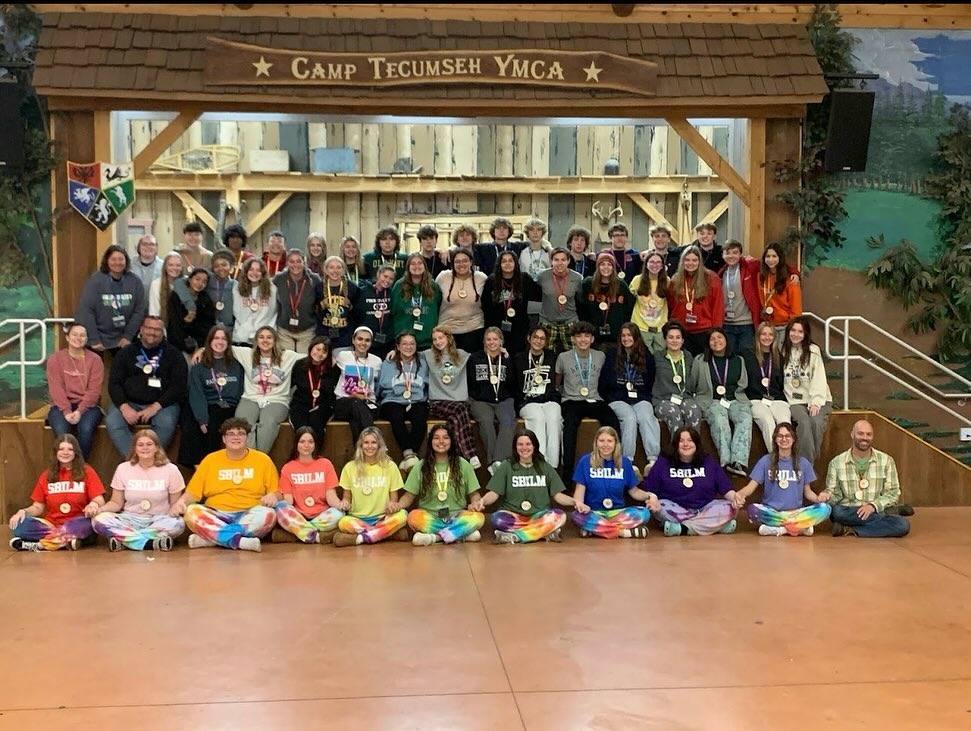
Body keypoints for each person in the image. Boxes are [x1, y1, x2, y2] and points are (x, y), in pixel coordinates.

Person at [171, 418, 278, 551]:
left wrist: (273, 495)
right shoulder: (210, 460)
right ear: (224, 439)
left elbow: (276, 492)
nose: (236, 437)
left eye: (241, 433)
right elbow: (193, 493)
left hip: (249, 512)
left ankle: (214, 538)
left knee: (269, 515)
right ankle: (238, 541)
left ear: (247, 438)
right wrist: (181, 502)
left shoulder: (263, 460)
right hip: (217, 514)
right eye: (230, 434)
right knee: (191, 512)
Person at [473, 428, 575, 543]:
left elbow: (558, 495)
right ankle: (541, 533)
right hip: (513, 515)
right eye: (520, 444)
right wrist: (482, 501)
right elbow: (494, 493)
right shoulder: (506, 466)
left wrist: (575, 502)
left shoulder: (544, 466)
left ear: (534, 446)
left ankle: (516, 537)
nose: (524, 448)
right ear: (515, 447)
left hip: (538, 516)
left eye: (528, 444)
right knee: (497, 519)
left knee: (560, 516)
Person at [92, 429, 186, 551]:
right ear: (135, 448)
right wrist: (100, 510)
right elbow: (116, 503)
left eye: (149, 444)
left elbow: (174, 504)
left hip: (159, 519)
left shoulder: (171, 470)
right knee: (98, 520)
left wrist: (177, 508)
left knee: (178, 523)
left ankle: (126, 540)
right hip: (130, 519)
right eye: (140, 445)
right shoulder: (123, 468)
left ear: (157, 447)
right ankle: (150, 543)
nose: (145, 448)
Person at [105, 316, 186, 457]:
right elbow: (114, 384)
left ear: (162, 332)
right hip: (129, 402)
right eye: (149, 328)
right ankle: (133, 459)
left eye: (157, 329)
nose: (152, 332)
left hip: (163, 405)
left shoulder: (174, 355)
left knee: (166, 423)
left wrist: (155, 407)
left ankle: (152, 459)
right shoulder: (125, 353)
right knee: (113, 421)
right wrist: (124, 407)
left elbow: (178, 387)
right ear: (141, 330)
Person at [8, 434, 105, 551]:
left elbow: (100, 499)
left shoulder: (87, 472)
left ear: (76, 453)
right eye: (61, 449)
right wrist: (24, 512)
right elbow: (38, 507)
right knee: (19, 526)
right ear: (55, 452)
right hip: (51, 525)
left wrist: (93, 504)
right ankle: (65, 541)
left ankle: (40, 545)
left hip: (77, 522)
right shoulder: (46, 475)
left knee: (88, 525)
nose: (65, 452)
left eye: (70, 449)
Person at [733, 422, 831, 536]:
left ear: (793, 439)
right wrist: (738, 495)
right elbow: (750, 487)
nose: (784, 439)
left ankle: (779, 529)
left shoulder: (803, 463)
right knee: (752, 510)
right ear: (775, 439)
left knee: (825, 509)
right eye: (780, 436)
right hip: (773, 512)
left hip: (796, 513)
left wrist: (819, 499)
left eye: (787, 436)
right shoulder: (765, 461)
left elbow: (808, 492)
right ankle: (797, 528)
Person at [643, 427, 739, 536]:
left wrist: (736, 499)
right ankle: (712, 526)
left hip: (705, 508)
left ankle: (684, 529)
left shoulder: (709, 462)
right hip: (675, 509)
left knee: (730, 507)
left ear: (696, 443)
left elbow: (726, 489)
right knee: (660, 505)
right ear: (675, 444)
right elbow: (650, 491)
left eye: (690, 440)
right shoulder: (663, 462)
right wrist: (653, 500)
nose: (686, 444)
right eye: (681, 441)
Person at [399, 425, 485, 546]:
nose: (441, 441)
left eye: (445, 438)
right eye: (436, 438)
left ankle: (436, 538)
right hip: (431, 516)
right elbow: (408, 496)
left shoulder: (463, 464)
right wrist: (397, 506)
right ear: (430, 441)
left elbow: (474, 494)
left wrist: (476, 504)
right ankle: (459, 534)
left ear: (451, 441)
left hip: (457, 516)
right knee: (413, 517)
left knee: (478, 517)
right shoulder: (420, 466)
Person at [556, 321, 621, 479]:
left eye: (587, 336)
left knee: (613, 421)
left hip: (594, 399)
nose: (583, 339)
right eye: (579, 336)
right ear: (573, 339)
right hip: (571, 400)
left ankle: (615, 466)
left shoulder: (600, 356)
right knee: (569, 428)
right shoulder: (563, 357)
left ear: (592, 339)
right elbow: (557, 382)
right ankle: (567, 476)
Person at [825, 419, 911, 538]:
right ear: (852, 435)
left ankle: (849, 529)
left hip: (875, 509)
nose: (865, 438)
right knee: (836, 512)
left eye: (868, 434)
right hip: (849, 511)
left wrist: (872, 506)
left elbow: (893, 493)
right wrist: (826, 496)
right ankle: (884, 516)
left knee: (903, 525)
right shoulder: (836, 462)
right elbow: (835, 495)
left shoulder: (886, 460)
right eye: (860, 433)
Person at [572, 426, 656, 539]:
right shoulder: (585, 461)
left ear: (616, 443)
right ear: (596, 442)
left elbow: (635, 492)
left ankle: (596, 529)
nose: (605, 445)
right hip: (594, 512)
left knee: (644, 513)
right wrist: (579, 504)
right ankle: (622, 533)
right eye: (602, 441)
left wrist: (651, 495)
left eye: (609, 441)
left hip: (618, 512)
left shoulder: (625, 462)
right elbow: (579, 490)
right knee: (576, 516)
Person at [690, 327, 752, 477]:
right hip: (711, 400)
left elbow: (742, 383)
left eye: (720, 337)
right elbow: (693, 384)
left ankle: (738, 462)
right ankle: (726, 462)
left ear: (726, 339)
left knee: (745, 418)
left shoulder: (738, 360)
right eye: (712, 339)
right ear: (708, 343)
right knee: (719, 419)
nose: (716, 341)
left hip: (735, 400)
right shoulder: (700, 361)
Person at [233, 326, 304, 454]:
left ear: (275, 340)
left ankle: (260, 458)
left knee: (268, 423)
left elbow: (312, 355)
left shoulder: (287, 356)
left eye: (269, 337)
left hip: (277, 400)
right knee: (242, 422)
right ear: (256, 341)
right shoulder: (247, 354)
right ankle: (249, 456)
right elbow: (222, 346)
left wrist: (331, 358)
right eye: (261, 337)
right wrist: (201, 350)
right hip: (250, 399)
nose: (265, 340)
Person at [333, 427, 409, 547]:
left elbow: (393, 499)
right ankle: (382, 534)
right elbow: (346, 498)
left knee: (403, 515)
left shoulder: (390, 466)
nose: (369, 446)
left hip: (382, 518)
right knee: (343, 522)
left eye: (373, 442)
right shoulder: (349, 467)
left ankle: (361, 538)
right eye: (366, 442)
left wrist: (392, 505)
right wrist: (344, 503)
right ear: (360, 445)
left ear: (379, 445)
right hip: (358, 518)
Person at [600, 322, 660, 474]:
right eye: (623, 335)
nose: (626, 338)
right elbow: (605, 381)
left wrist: (643, 396)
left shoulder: (646, 355)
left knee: (646, 417)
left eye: (630, 335)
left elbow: (650, 380)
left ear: (636, 337)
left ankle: (653, 461)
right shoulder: (612, 355)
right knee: (629, 418)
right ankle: (627, 462)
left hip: (640, 397)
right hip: (617, 398)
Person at [181, 324, 244, 468]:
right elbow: (196, 393)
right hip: (207, 402)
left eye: (223, 339)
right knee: (190, 420)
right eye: (216, 338)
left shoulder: (237, 364)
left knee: (215, 420)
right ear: (209, 341)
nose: (220, 342)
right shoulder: (199, 366)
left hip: (229, 405)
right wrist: (202, 418)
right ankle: (198, 466)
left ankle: (212, 464)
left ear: (228, 343)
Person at [422, 327, 481, 469]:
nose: (438, 342)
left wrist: (501, 350)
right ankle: (470, 454)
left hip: (459, 402)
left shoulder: (461, 354)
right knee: (459, 411)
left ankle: (457, 458)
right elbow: (408, 351)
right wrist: (394, 351)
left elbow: (483, 355)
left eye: (441, 338)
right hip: (438, 402)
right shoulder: (428, 354)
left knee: (455, 419)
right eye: (434, 339)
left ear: (449, 338)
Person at [273, 426, 342, 544]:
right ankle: (317, 536)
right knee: (280, 507)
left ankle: (298, 534)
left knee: (339, 513)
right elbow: (288, 500)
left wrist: (341, 505)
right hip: (299, 515)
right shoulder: (288, 468)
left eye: (310, 442)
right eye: (302, 441)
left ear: (315, 444)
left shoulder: (325, 464)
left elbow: (331, 497)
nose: (306, 445)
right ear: (296, 444)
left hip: (322, 514)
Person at [46, 322, 104, 459]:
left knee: (86, 429)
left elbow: (94, 390)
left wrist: (79, 411)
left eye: (82, 335)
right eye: (74, 335)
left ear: (87, 339)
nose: (78, 338)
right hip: (60, 406)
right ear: (67, 337)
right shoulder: (55, 359)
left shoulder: (95, 360)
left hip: (88, 406)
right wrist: (67, 411)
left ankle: (81, 466)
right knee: (62, 432)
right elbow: (56, 388)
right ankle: (64, 466)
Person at [75, 244, 147, 353]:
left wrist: (128, 336)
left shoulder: (135, 281)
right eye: (113, 259)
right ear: (107, 260)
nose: (117, 262)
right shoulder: (95, 281)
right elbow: (86, 310)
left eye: (121, 259)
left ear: (126, 261)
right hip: (98, 339)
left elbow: (139, 310)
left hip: (125, 339)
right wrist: (94, 339)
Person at [781, 317, 832, 464]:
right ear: (788, 332)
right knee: (804, 423)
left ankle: (806, 464)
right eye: (793, 330)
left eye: (800, 331)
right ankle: (806, 465)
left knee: (816, 422)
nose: (796, 334)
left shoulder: (813, 350)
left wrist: (816, 401)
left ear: (805, 334)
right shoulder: (782, 350)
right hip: (794, 400)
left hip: (818, 398)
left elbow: (819, 377)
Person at [467, 327, 517, 475]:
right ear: (484, 341)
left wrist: (507, 360)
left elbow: (513, 382)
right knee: (486, 421)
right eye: (488, 339)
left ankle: (498, 461)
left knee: (508, 421)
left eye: (495, 339)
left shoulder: (507, 359)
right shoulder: (475, 358)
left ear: (501, 341)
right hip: (480, 400)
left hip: (504, 400)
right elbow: (470, 381)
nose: (492, 342)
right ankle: (492, 461)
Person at [378, 332, 430, 472]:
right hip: (393, 400)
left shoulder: (423, 361)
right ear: (398, 346)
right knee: (396, 415)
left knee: (420, 416)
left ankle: (410, 457)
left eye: (412, 343)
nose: (408, 347)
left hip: (416, 400)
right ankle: (409, 454)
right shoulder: (389, 362)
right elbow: (381, 385)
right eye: (404, 344)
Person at [512, 325, 561, 469]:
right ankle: (539, 462)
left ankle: (552, 466)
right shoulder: (519, 358)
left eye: (542, 339)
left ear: (546, 342)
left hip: (549, 400)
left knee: (554, 418)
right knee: (538, 417)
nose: (538, 341)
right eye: (535, 337)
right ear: (529, 338)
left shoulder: (552, 357)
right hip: (528, 402)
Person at [668, 245, 724, 356]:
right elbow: (670, 305)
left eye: (694, 260)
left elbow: (718, 306)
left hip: (704, 331)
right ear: (682, 261)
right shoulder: (675, 279)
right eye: (687, 260)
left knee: (703, 362)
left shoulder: (711, 278)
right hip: (681, 331)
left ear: (699, 261)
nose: (690, 263)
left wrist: (716, 331)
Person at [744, 321, 791, 452]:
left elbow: (782, 383)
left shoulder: (779, 357)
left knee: (784, 422)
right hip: (755, 400)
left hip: (777, 399)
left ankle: (788, 455)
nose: (767, 337)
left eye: (770, 334)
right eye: (763, 334)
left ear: (774, 337)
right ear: (758, 336)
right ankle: (776, 456)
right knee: (767, 420)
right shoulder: (747, 355)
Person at [332, 326, 383, 443]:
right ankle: (374, 441)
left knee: (356, 417)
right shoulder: (343, 356)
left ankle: (360, 449)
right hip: (344, 403)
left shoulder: (377, 361)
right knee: (355, 403)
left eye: (367, 340)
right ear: (353, 340)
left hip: (367, 403)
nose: (363, 343)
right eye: (360, 339)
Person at [652, 321, 702, 434]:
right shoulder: (657, 357)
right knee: (673, 413)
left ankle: (693, 444)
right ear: (665, 339)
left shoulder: (688, 357)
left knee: (694, 411)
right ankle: (677, 445)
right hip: (662, 400)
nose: (674, 341)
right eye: (671, 337)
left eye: (678, 337)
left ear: (683, 340)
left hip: (684, 398)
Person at [289, 335, 339, 448]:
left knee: (316, 421)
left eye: (324, 351)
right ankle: (300, 453)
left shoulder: (333, 369)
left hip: (323, 404)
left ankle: (315, 453)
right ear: (311, 347)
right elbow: (291, 384)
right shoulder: (299, 365)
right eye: (318, 349)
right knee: (301, 426)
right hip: (301, 402)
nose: (320, 354)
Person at [481, 251, 535, 357]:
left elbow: (538, 296)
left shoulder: (524, 279)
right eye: (504, 261)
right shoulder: (491, 281)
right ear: (499, 264)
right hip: (497, 329)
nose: (507, 264)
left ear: (516, 263)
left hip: (520, 329)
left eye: (511, 261)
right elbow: (485, 306)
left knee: (518, 358)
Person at [436, 247, 487, 353]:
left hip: (474, 330)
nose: (461, 264)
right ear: (452, 263)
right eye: (457, 261)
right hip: (447, 331)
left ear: (471, 262)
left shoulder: (481, 278)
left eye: (465, 261)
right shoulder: (443, 277)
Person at [579, 252, 634, 347]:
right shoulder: (588, 284)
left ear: (613, 267)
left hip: (615, 335)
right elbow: (581, 307)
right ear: (597, 267)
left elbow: (629, 308)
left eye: (609, 264)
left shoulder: (621, 285)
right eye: (602, 264)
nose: (606, 267)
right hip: (592, 334)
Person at [536, 248, 584, 356]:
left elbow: (581, 300)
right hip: (547, 321)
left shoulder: (577, 278)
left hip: (570, 321)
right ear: (551, 261)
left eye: (563, 260)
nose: (560, 263)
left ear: (568, 261)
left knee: (575, 355)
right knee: (544, 355)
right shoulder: (542, 276)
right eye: (556, 260)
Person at [274, 249, 322, 353]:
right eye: (291, 261)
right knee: (287, 359)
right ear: (287, 263)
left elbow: (320, 303)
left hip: (307, 331)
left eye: (298, 261)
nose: (295, 265)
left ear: (304, 262)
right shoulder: (279, 279)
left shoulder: (314, 279)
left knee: (303, 360)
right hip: (284, 331)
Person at [390, 253, 442, 351]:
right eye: (413, 264)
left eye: (419, 263)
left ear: (425, 266)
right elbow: (393, 311)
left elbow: (439, 307)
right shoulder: (399, 286)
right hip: (405, 342)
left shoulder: (433, 286)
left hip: (429, 341)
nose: (416, 266)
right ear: (408, 267)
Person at [167, 267, 216, 355]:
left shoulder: (205, 299)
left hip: (199, 344)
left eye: (204, 282)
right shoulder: (176, 296)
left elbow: (209, 323)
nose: (200, 284)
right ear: (189, 279)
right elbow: (174, 322)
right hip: (177, 342)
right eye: (197, 279)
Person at [758, 243, 802, 340]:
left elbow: (796, 308)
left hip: (785, 326)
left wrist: (793, 328)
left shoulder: (791, 279)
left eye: (774, 256)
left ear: (780, 258)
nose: (771, 259)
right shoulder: (761, 276)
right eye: (768, 256)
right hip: (768, 326)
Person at [628, 251, 669, 354]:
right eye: (652, 262)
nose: (655, 265)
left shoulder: (667, 281)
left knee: (660, 356)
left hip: (660, 328)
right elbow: (629, 300)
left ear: (662, 266)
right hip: (641, 327)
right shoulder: (637, 280)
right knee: (642, 355)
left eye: (658, 262)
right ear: (646, 265)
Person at [354, 264, 396, 359]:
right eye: (385, 276)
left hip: (387, 342)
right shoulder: (362, 292)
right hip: (367, 341)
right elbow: (356, 315)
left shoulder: (392, 294)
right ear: (378, 275)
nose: (387, 280)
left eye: (391, 279)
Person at [232, 258, 278, 345]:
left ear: (263, 273)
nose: (254, 273)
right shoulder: (237, 289)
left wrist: (259, 331)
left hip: (264, 337)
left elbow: (271, 314)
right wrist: (249, 330)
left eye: (258, 270)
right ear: (246, 272)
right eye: (251, 269)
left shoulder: (272, 289)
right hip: (242, 336)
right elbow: (237, 313)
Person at [317, 255, 359, 349]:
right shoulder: (319, 287)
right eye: (331, 267)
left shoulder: (352, 287)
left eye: (338, 267)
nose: (335, 271)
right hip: (324, 336)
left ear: (343, 270)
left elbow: (357, 313)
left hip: (345, 337)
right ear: (326, 270)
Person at [148, 251, 183, 321]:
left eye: (178, 265)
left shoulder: (188, 282)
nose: (174, 268)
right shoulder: (156, 284)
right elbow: (155, 312)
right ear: (165, 267)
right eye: (171, 265)